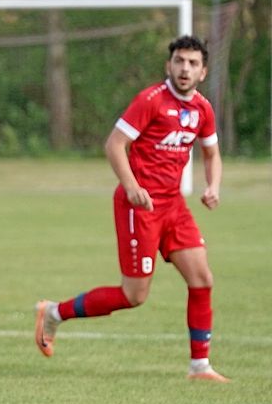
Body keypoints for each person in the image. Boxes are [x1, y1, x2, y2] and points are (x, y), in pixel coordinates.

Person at [35, 35, 228, 382]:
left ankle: (200, 366)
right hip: (138, 207)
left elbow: (212, 154)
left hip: (174, 206)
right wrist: (132, 186)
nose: (185, 69)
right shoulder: (151, 100)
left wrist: (213, 186)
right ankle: (53, 312)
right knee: (134, 295)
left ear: (203, 72)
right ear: (168, 65)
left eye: (193, 63)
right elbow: (115, 144)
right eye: (179, 61)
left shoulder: (203, 109)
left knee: (202, 279)